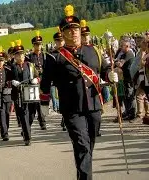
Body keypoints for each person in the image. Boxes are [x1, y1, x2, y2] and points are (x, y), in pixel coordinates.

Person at [40, 5, 118, 179]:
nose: (74, 32)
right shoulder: (55, 57)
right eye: (69, 30)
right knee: (82, 145)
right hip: (72, 109)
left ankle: (82, 172)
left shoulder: (93, 51)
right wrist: (44, 103)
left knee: (88, 145)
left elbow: (104, 70)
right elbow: (45, 82)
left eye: (76, 28)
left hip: (94, 106)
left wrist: (111, 75)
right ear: (63, 33)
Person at [11, 40, 40, 146]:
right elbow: (7, 80)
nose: (20, 56)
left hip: (30, 92)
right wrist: (12, 82)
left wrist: (36, 79)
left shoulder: (30, 65)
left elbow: (37, 76)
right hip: (19, 94)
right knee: (23, 115)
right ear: (14, 56)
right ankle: (27, 138)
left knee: (31, 115)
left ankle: (25, 130)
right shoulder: (12, 67)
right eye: (18, 55)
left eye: (21, 54)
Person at [27, 31, 51, 130]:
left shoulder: (45, 56)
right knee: (34, 103)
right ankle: (31, 124)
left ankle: (42, 121)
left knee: (42, 101)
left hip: (43, 81)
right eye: (36, 44)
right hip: (33, 81)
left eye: (40, 44)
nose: (38, 46)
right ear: (33, 45)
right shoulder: (29, 57)